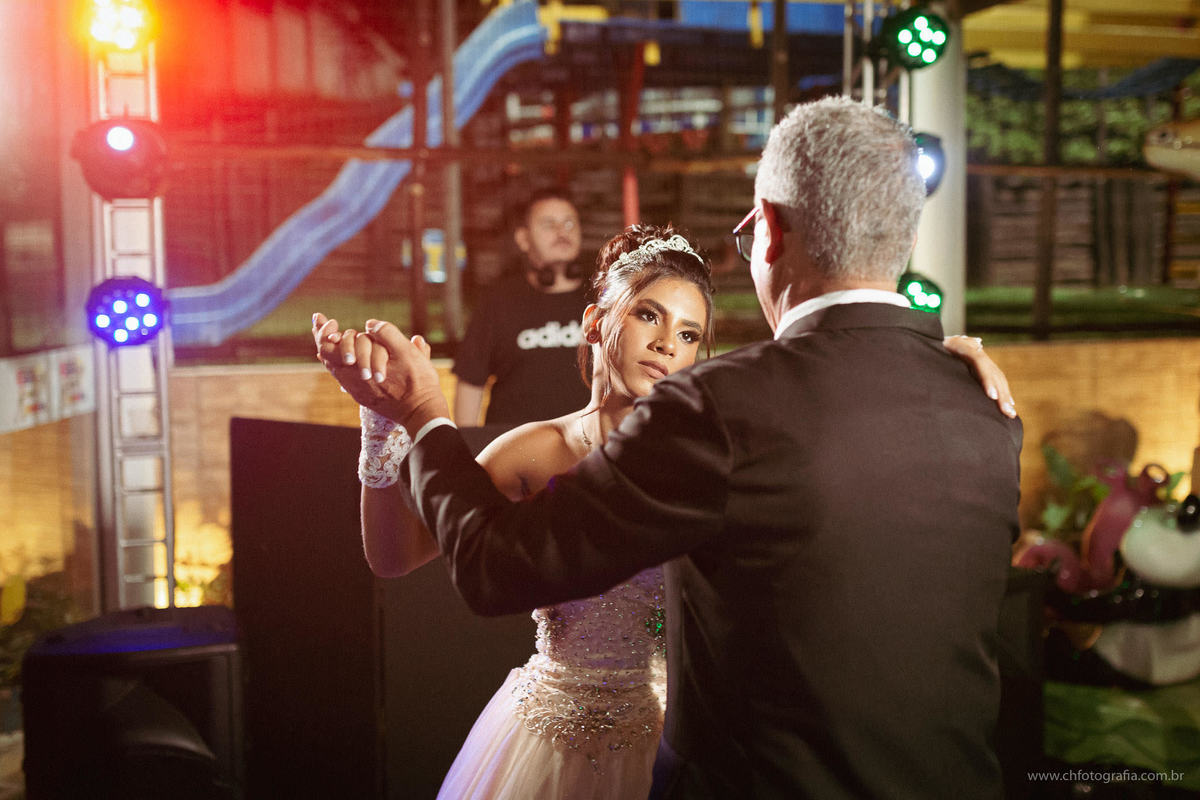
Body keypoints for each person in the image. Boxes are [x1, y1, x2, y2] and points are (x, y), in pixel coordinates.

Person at [315, 97, 1023, 800]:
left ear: (769, 230)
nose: (666, 345)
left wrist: (420, 412)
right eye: (649, 317)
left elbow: (498, 565)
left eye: (689, 334)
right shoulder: (984, 409)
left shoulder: (724, 414)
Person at [452, 188, 591, 427]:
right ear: (523, 239)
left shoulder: (606, 297)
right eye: (549, 225)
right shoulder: (499, 301)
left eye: (569, 224)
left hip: (589, 452)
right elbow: (471, 382)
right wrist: (466, 452)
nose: (561, 232)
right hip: (512, 452)